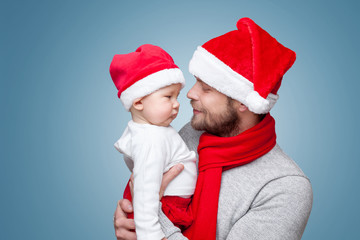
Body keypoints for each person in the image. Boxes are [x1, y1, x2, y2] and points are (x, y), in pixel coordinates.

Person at [114, 17, 313, 240]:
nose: (190, 93)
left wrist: (149, 219)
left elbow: (151, 205)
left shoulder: (285, 187)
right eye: (196, 81)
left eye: (206, 88)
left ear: (244, 103)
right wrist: (128, 222)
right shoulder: (193, 133)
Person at [110, 44, 197, 240]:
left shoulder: (154, 131)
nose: (177, 104)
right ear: (138, 102)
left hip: (172, 207)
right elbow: (145, 192)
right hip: (168, 207)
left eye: (176, 96)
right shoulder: (151, 139)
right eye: (168, 97)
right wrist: (151, 234)